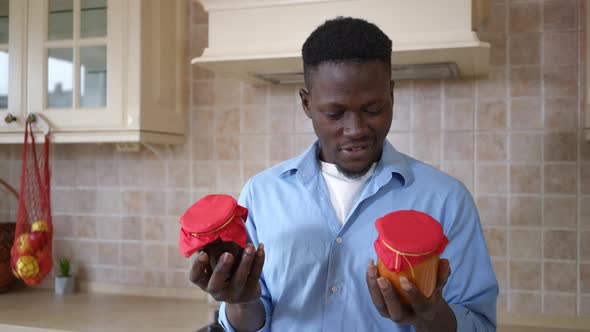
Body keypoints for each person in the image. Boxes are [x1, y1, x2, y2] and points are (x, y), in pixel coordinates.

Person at [189, 17, 498, 332]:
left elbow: (480, 323)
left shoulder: (445, 198)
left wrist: (431, 316)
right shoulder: (261, 194)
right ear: (307, 104)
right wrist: (242, 301)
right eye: (335, 114)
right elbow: (251, 319)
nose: (355, 130)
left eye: (373, 109)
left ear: (391, 95)